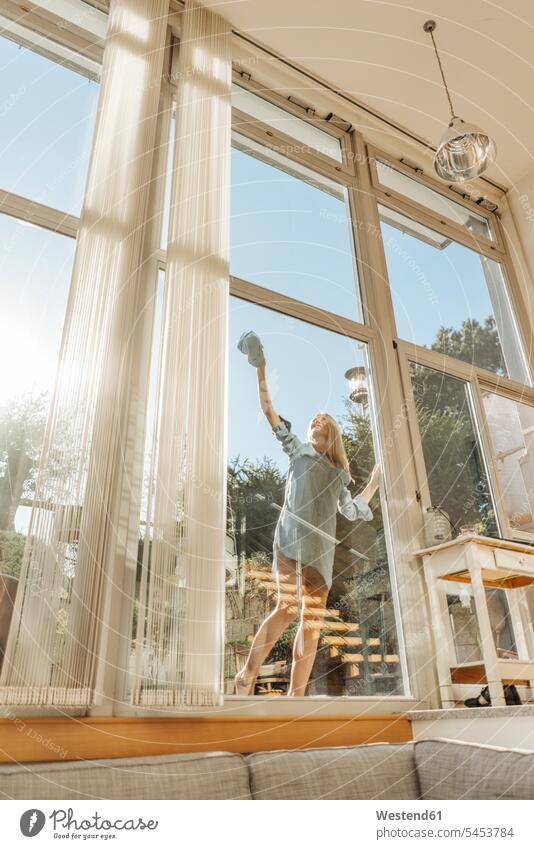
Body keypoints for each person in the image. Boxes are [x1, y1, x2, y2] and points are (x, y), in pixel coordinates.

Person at [235, 331, 381, 696]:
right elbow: (269, 411)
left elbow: (352, 509)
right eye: (313, 419)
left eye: (322, 419)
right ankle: (246, 676)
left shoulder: (339, 475)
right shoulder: (298, 450)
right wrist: (261, 367)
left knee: (312, 623)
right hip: (289, 544)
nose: (315, 420)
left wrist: (377, 477)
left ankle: (295, 696)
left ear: (333, 433)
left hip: (320, 556)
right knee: (286, 610)